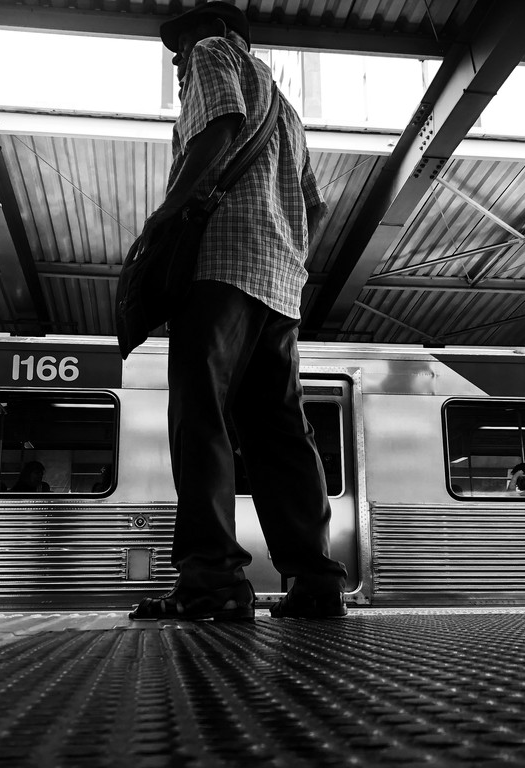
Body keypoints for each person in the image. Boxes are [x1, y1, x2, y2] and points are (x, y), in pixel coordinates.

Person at [129, 2, 347, 622]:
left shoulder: (212, 54)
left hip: (221, 264)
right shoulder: (287, 109)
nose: (177, 58)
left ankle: (213, 582)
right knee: (279, 430)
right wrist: (288, 254)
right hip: (278, 284)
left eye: (181, 44)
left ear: (221, 34)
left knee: (200, 419)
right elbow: (316, 204)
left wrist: (167, 213)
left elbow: (219, 125)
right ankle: (314, 582)